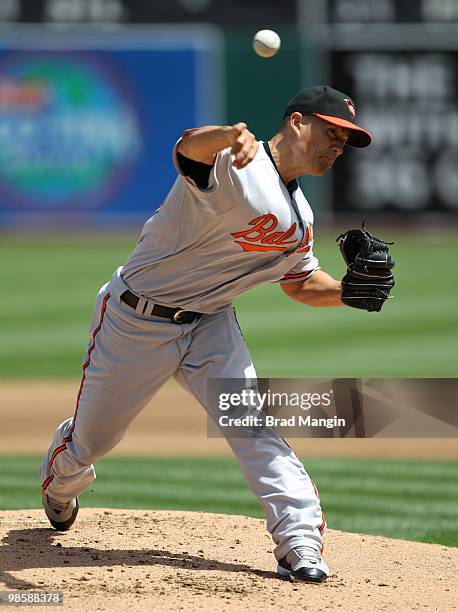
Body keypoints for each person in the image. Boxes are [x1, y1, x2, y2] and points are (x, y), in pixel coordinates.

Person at [40, 85, 373, 583]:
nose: (338, 146)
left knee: (252, 424)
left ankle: (298, 538)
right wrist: (228, 134)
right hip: (135, 320)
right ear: (297, 121)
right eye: (333, 132)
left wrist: (350, 291)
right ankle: (61, 479)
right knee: (92, 442)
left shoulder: (301, 219)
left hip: (211, 324)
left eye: (347, 140)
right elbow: (187, 149)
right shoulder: (236, 163)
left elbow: (301, 282)